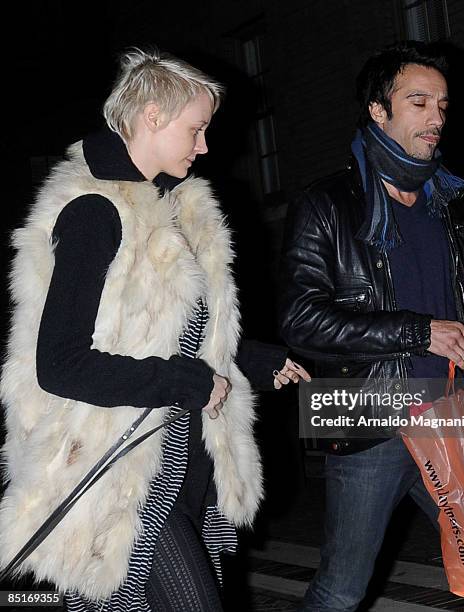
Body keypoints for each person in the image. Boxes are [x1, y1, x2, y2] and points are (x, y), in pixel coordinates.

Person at [0, 48, 309, 611]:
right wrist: (182, 382)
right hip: (124, 480)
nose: (205, 145)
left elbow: (171, 341)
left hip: (182, 464)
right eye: (196, 129)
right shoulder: (95, 213)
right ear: (152, 117)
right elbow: (61, 363)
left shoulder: (174, 211)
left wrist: (248, 359)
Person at [279, 41, 464, 611]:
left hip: (454, 409)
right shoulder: (326, 204)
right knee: (341, 591)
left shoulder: (452, 202)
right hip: (368, 411)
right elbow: (300, 320)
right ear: (378, 109)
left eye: (442, 105)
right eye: (418, 102)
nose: (436, 118)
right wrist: (416, 332)